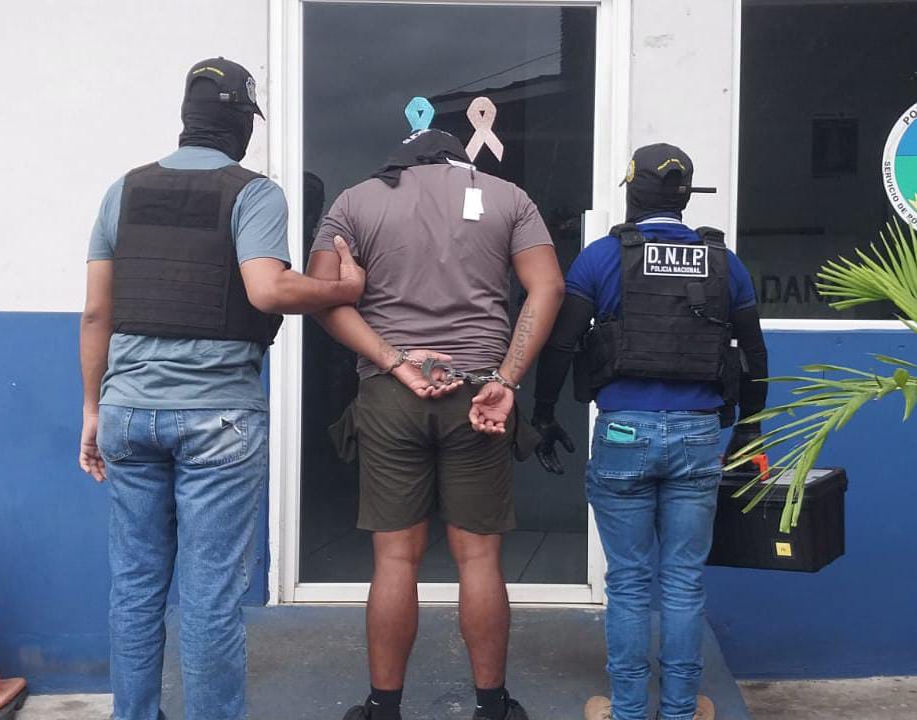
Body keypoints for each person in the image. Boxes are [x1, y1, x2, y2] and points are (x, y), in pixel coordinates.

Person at [77, 57, 364, 720]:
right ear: (241, 124)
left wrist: (93, 409)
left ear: (187, 119)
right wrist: (342, 289)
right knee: (209, 595)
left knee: (135, 587)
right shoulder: (254, 193)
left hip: (127, 412)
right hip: (217, 420)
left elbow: (96, 314)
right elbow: (268, 289)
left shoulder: (122, 191)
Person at [306, 129, 565, 720]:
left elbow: (322, 297)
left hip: (390, 393)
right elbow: (547, 286)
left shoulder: (355, 201)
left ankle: (383, 707)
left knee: (395, 558)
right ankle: (493, 708)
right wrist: (507, 377)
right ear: (457, 158)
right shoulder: (509, 197)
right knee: (479, 558)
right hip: (479, 393)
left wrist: (394, 360)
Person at [530, 144, 768, 720]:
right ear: (685, 196)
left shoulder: (601, 257)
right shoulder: (724, 262)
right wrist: (749, 434)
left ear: (633, 192)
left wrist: (543, 414)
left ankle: (630, 710)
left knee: (630, 581)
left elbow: (561, 344)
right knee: (683, 581)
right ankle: (681, 709)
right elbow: (755, 356)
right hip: (698, 436)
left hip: (623, 436)